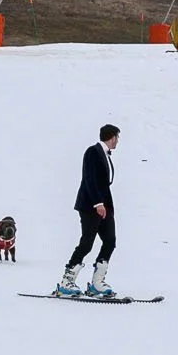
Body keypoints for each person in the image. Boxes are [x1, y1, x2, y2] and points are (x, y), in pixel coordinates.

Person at [57, 124, 119, 297]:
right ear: (112, 137)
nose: (118, 142)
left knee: (110, 241)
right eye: (117, 138)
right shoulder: (92, 152)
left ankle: (97, 283)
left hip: (105, 206)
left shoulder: (105, 155)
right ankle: (66, 282)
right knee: (87, 243)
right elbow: (90, 177)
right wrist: (98, 203)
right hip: (90, 205)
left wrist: (105, 205)